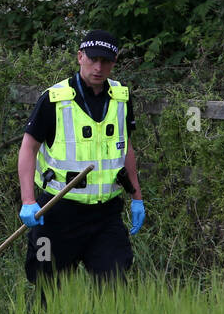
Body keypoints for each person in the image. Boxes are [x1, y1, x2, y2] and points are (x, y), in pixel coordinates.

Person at [17, 29, 145, 288]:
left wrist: (137, 198)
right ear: (80, 57)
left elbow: (126, 147)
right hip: (57, 211)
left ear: (114, 62)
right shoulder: (54, 99)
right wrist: (28, 200)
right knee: (47, 286)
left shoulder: (121, 98)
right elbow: (28, 148)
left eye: (106, 61)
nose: (98, 67)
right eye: (93, 59)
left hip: (105, 214)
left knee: (115, 284)